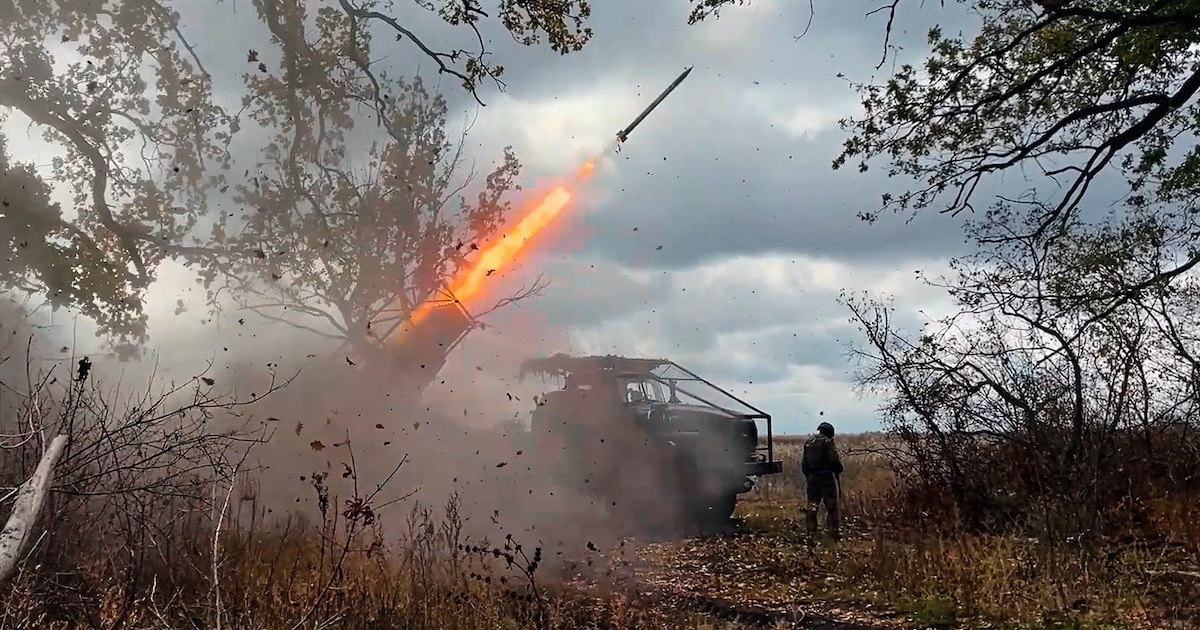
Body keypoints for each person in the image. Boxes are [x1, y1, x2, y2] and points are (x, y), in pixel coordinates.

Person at [801, 421, 844, 542]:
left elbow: (804, 464)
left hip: (812, 479)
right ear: (830, 432)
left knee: (812, 506)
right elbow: (834, 460)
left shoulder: (809, 442)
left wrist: (810, 477)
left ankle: (811, 533)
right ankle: (834, 535)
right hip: (825, 479)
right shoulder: (827, 442)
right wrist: (839, 469)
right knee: (832, 507)